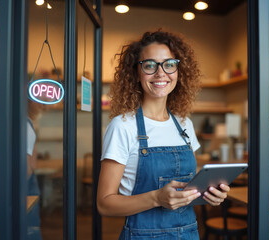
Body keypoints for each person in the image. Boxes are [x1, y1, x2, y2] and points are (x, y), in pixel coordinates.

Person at [97, 30, 230, 239]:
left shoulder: (183, 123)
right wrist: (156, 198)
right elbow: (104, 204)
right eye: (150, 65)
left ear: (178, 71)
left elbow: (188, 187)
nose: (161, 73)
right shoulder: (122, 126)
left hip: (188, 234)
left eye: (169, 64)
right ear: (136, 72)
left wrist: (208, 194)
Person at [27, 99, 43, 240]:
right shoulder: (26, 125)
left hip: (28, 179)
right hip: (27, 182)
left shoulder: (24, 123)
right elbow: (26, 164)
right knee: (30, 229)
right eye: (38, 102)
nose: (41, 106)